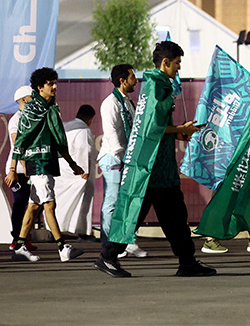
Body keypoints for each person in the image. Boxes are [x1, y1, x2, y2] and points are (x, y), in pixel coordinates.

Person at [95, 41, 215, 278]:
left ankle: (187, 261)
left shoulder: (159, 85)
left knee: (176, 217)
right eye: (177, 63)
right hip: (149, 167)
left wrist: (179, 131)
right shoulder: (156, 87)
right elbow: (151, 128)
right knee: (135, 214)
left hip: (161, 168)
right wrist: (180, 129)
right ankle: (108, 257)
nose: (179, 69)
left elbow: (158, 127)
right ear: (165, 62)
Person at [6, 68, 86, 262]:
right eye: (50, 83)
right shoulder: (33, 110)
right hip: (37, 163)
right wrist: (12, 169)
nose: (55, 86)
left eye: (55, 82)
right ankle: (62, 247)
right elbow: (20, 141)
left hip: (47, 161)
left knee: (34, 207)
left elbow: (58, 141)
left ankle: (19, 246)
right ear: (40, 87)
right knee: (49, 204)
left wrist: (72, 164)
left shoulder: (51, 108)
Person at [98, 64, 147, 258]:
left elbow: (134, 131)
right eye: (133, 77)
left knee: (128, 201)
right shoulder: (110, 103)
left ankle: (126, 241)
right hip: (114, 158)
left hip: (126, 158)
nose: (136, 80)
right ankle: (109, 245)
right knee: (112, 201)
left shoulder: (127, 102)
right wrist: (125, 157)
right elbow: (111, 133)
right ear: (122, 80)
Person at [55, 104, 97, 238]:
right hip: (77, 172)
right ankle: (82, 231)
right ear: (90, 119)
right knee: (82, 202)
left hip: (62, 170)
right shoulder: (83, 129)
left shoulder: (66, 126)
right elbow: (82, 148)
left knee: (61, 202)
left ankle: (56, 230)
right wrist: (84, 170)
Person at [6, 85, 36, 251]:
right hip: (17, 169)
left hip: (28, 168)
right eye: (33, 97)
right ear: (25, 99)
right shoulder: (16, 120)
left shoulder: (32, 117)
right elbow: (18, 145)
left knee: (32, 204)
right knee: (20, 203)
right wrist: (22, 167)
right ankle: (16, 239)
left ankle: (24, 238)